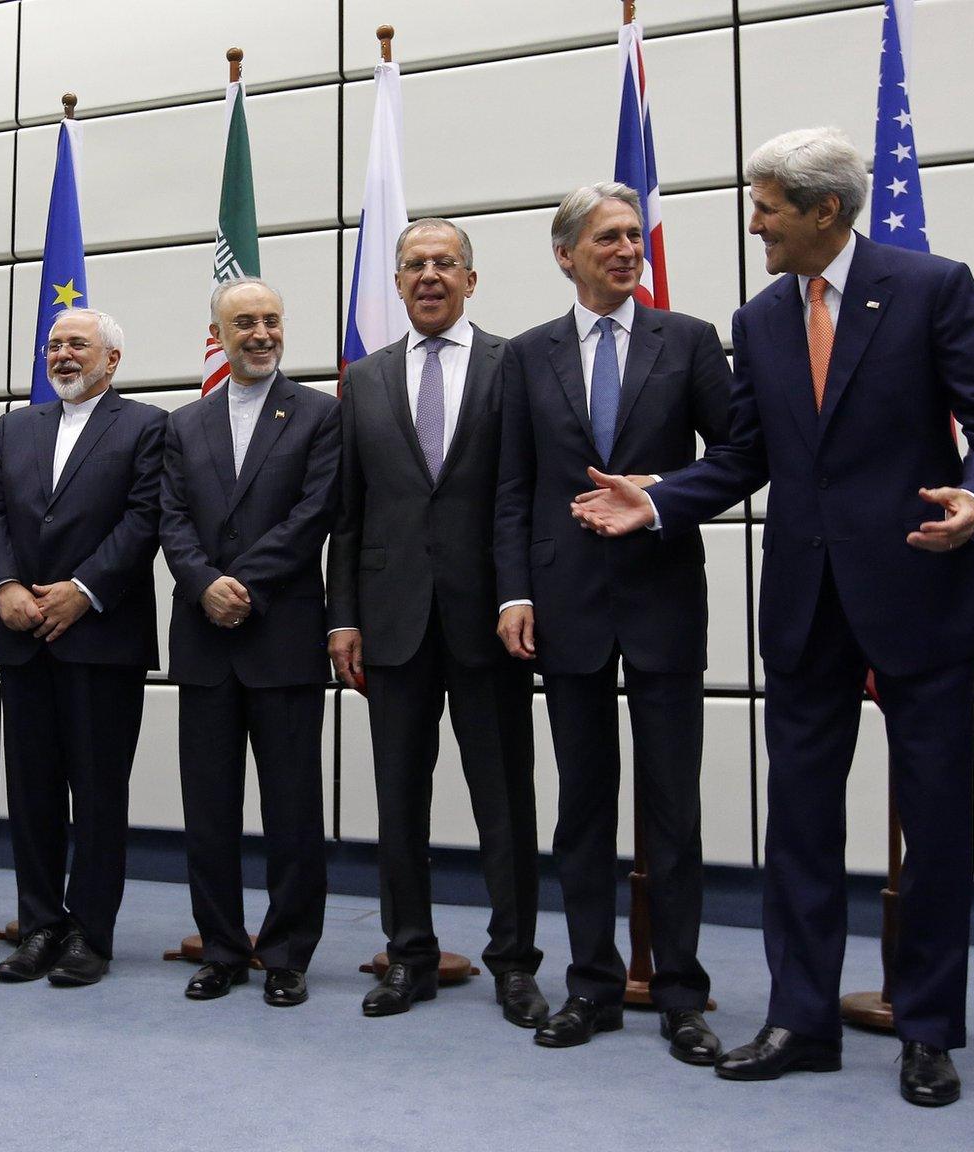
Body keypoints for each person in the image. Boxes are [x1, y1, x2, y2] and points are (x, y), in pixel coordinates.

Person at [572, 126, 974, 1106]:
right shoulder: (761, 315)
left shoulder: (930, 286)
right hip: (804, 604)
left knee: (936, 821)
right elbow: (746, 455)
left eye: (766, 206)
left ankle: (927, 1027)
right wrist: (655, 501)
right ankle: (799, 1018)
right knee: (800, 824)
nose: (752, 222)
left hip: (919, 584)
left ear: (824, 211)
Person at [493, 185, 732, 1059]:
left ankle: (679, 993)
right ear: (566, 255)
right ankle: (590, 984)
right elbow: (513, 487)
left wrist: (662, 499)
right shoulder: (527, 355)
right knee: (583, 808)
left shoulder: (691, 342)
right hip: (566, 607)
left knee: (673, 808)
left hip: (664, 596)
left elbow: (742, 455)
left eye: (635, 236)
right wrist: (514, 594)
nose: (628, 250)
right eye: (608, 238)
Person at [329, 219, 547, 1025]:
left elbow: (522, 496)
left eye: (444, 263)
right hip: (390, 624)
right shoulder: (367, 377)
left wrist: (519, 595)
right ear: (395, 283)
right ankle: (408, 956)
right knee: (398, 803)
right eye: (414, 264)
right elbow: (347, 516)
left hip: (490, 621)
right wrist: (341, 618)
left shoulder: (512, 366)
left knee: (505, 803)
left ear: (471, 279)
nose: (429, 276)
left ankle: (515, 963)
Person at [162, 278, 339, 1008]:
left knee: (292, 808)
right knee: (208, 808)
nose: (260, 333)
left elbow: (313, 514)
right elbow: (169, 519)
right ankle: (224, 948)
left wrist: (242, 584)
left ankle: (289, 952)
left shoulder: (320, 414)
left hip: (283, 636)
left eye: (270, 320)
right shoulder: (183, 424)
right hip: (205, 639)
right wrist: (205, 584)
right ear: (218, 334)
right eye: (244, 323)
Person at [0, 308, 166, 987]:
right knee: (30, 794)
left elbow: (146, 517)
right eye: (53, 344)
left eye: (76, 344)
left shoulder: (146, 426)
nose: (61, 355)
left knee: (98, 794)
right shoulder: (14, 425)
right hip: (23, 635)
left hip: (101, 639)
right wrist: (3, 587)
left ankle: (90, 932)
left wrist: (83, 589)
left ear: (111, 360)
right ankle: (39, 926)